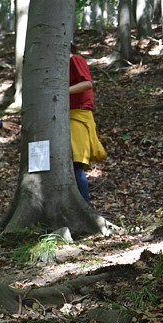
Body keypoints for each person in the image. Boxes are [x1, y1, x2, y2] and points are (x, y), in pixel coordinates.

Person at [69, 43, 105, 204]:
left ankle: (85, 205)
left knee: (77, 162)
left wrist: (62, 90)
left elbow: (87, 83)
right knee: (71, 162)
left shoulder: (75, 59)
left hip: (79, 114)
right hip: (69, 116)